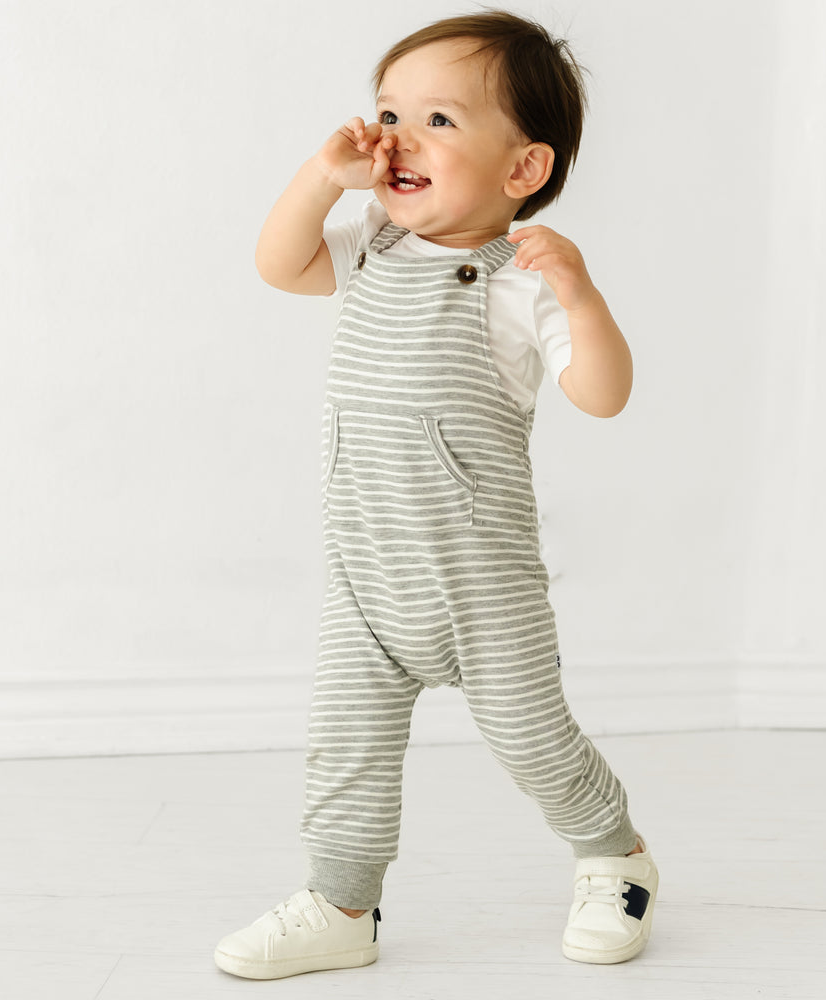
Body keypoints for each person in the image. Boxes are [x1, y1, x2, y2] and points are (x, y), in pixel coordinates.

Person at [214, 10, 657, 979]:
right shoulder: (369, 240)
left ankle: (612, 856)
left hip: (478, 584)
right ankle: (341, 901)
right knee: (346, 747)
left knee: (532, 739)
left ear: (522, 172)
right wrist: (322, 176)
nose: (397, 137)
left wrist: (580, 294)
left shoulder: (517, 283)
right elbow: (277, 261)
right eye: (387, 111)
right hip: (366, 570)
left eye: (440, 120)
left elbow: (603, 393)